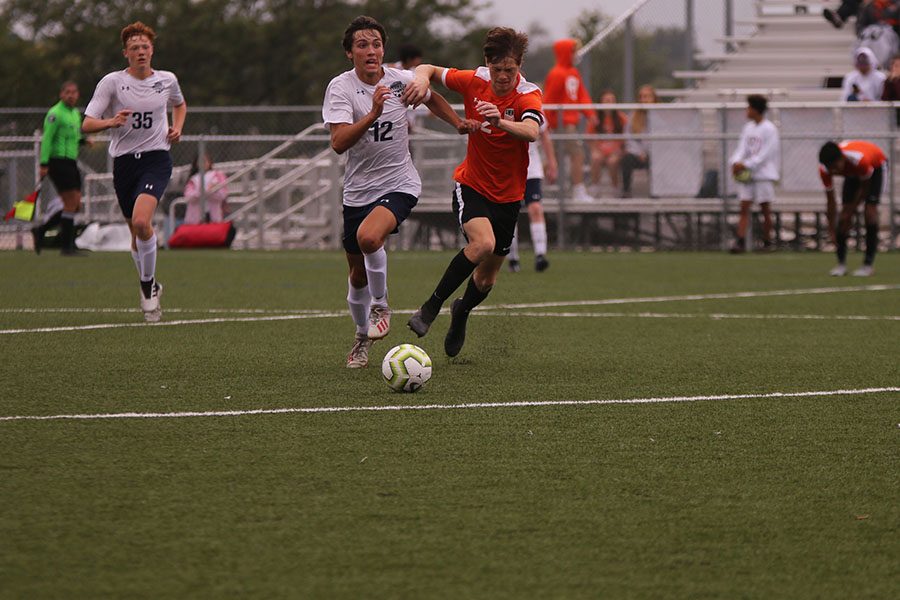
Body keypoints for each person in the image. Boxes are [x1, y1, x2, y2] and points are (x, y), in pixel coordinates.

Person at [323, 16, 472, 368]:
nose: (371, 50)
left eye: (376, 44)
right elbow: (338, 143)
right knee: (356, 273)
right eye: (362, 45)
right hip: (357, 191)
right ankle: (362, 337)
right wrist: (373, 112)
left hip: (400, 182)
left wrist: (458, 123)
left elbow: (431, 97)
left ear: (383, 50)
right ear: (350, 53)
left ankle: (381, 304)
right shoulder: (341, 88)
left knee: (370, 238)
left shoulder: (400, 80)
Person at [402, 27, 544, 357]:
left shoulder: (527, 94)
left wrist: (501, 122)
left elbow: (532, 131)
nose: (504, 76)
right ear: (487, 63)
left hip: (509, 196)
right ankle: (430, 308)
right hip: (472, 184)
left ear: (519, 65)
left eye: (510, 69)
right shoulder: (473, 80)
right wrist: (422, 79)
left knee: (487, 280)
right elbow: (428, 70)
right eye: (498, 70)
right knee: (484, 243)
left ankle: (461, 310)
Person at [82, 21, 187, 322]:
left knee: (143, 222)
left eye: (145, 47)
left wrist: (177, 128)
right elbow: (87, 123)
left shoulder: (166, 80)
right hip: (125, 163)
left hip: (156, 160)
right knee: (134, 233)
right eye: (135, 48)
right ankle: (152, 282)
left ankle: (146, 289)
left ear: (152, 50)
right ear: (125, 53)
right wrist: (110, 122)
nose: (141, 51)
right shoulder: (112, 83)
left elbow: (179, 105)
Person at [33, 81, 88, 256]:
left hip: (71, 161)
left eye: (74, 92)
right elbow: (48, 139)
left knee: (76, 204)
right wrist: (43, 164)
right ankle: (67, 246)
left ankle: (41, 230)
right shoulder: (55, 113)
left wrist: (83, 141)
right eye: (67, 92)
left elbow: (74, 135)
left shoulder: (75, 114)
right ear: (61, 95)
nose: (71, 95)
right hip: (57, 161)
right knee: (70, 203)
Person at [818, 140, 887, 276]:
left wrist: (852, 210)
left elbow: (865, 188)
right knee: (843, 218)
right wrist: (831, 228)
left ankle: (867, 265)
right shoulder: (825, 170)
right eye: (830, 168)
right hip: (853, 174)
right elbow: (830, 201)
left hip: (876, 167)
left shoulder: (860, 160)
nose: (833, 171)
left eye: (835, 167)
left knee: (870, 212)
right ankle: (841, 264)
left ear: (842, 158)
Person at [542, 38, 597, 203]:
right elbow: (548, 100)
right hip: (561, 123)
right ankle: (578, 189)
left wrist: (590, 113)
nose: (576, 55)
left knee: (557, 158)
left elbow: (581, 95)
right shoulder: (556, 74)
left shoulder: (573, 73)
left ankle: (540, 186)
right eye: (573, 51)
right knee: (577, 154)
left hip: (570, 123)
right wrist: (547, 125)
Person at [729, 95, 781, 253]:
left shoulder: (770, 128)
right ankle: (741, 241)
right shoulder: (748, 128)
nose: (747, 110)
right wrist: (735, 162)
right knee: (744, 207)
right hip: (748, 175)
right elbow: (741, 149)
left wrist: (746, 164)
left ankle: (767, 241)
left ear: (756, 109)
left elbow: (766, 154)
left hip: (763, 174)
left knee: (765, 208)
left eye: (749, 107)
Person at [508, 120, 557, 272]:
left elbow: (544, 134)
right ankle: (513, 257)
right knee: (509, 213)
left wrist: (552, 162)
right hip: (507, 168)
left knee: (535, 208)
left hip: (531, 168)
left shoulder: (532, 100)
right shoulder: (499, 101)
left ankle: (540, 255)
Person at [621, 84, 657, 198]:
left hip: (653, 153)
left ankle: (655, 192)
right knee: (626, 159)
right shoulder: (633, 115)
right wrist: (639, 152)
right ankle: (626, 191)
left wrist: (648, 152)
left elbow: (660, 139)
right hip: (638, 154)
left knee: (655, 161)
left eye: (646, 97)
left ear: (653, 99)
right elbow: (628, 137)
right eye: (641, 97)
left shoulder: (661, 115)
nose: (643, 100)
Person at [589, 90, 627, 195]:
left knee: (612, 161)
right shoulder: (596, 118)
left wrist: (619, 151)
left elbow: (626, 139)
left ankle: (615, 187)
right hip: (601, 150)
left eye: (612, 100)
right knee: (595, 158)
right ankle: (595, 185)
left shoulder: (621, 118)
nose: (609, 103)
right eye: (606, 100)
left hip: (616, 151)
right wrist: (595, 150)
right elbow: (591, 139)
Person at [183, 154, 228, 224]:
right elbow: (189, 197)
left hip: (214, 217)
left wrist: (202, 193)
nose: (203, 163)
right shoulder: (193, 179)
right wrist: (208, 190)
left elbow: (222, 195)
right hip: (195, 219)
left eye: (205, 161)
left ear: (209, 162)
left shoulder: (218, 175)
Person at [881, 54, 900, 126]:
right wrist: (891, 81)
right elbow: (884, 99)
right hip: (893, 116)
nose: (894, 68)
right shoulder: (889, 81)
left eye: (897, 66)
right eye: (893, 66)